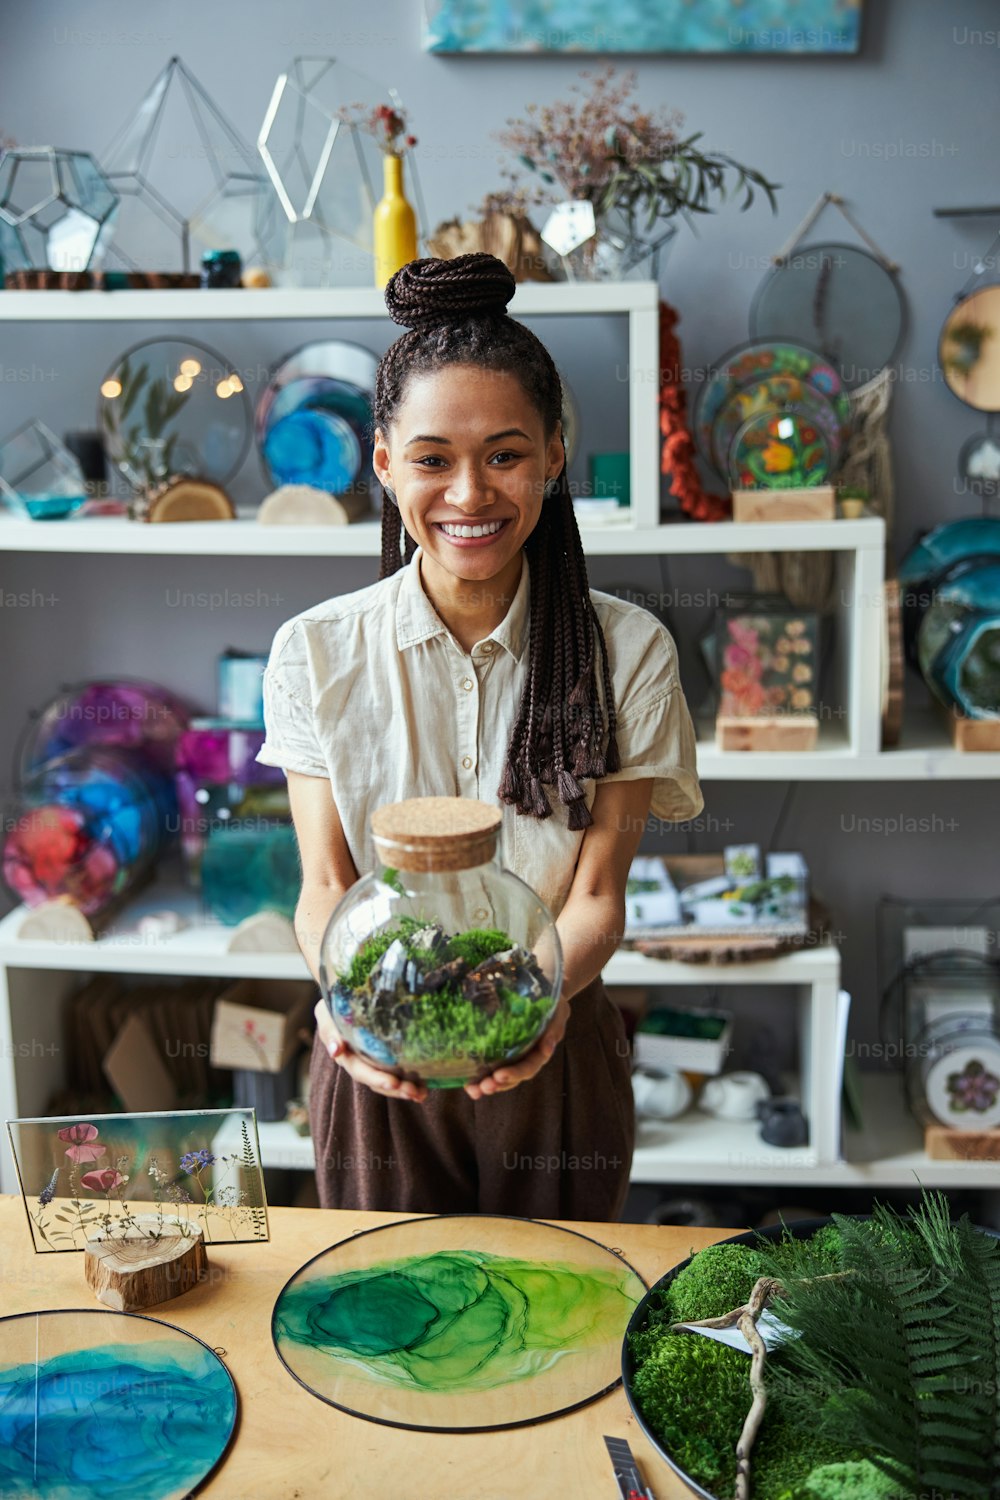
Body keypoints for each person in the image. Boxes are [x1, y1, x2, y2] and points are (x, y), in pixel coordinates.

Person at [257, 252, 703, 1221]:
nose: (469, 495)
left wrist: (533, 1010)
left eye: (504, 454)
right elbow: (324, 890)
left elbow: (595, 897)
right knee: (385, 1347)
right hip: (376, 1065)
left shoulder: (629, 655)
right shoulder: (313, 654)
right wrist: (343, 1005)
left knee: (561, 1347)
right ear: (383, 464)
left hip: (554, 1064)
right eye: (432, 460)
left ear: (553, 453)